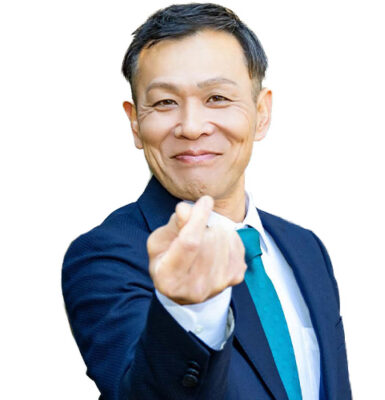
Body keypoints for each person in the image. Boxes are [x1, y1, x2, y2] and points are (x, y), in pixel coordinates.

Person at [62, 3, 351, 399]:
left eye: (216, 97)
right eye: (165, 102)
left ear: (261, 113)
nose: (192, 127)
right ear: (135, 122)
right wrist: (190, 309)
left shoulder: (306, 249)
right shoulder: (105, 258)